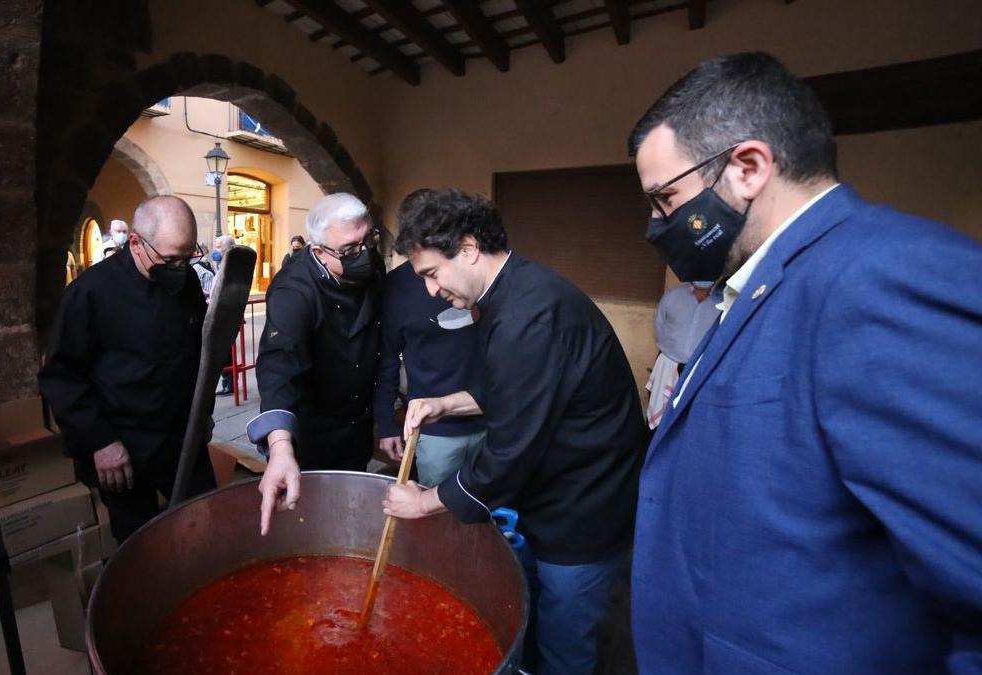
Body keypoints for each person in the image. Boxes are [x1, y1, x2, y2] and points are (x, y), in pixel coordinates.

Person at [627, 52, 982, 674]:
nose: (659, 224)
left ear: (747, 167)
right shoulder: (763, 283)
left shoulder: (880, 277)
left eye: (666, 199)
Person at [383, 189, 649, 675]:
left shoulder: (528, 316)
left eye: (431, 273)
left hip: (583, 510)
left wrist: (424, 502)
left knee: (564, 649)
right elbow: (521, 389)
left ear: (467, 248)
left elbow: (509, 451)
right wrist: (447, 402)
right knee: (534, 624)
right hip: (558, 497)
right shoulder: (515, 291)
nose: (430, 290)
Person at [40, 195, 215, 543]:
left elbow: (196, 352)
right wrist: (100, 441)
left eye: (187, 258)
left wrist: (202, 411)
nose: (180, 269)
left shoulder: (186, 282)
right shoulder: (90, 293)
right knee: (143, 550)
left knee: (208, 528)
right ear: (135, 242)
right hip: (122, 448)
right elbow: (60, 376)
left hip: (181, 437)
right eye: (170, 259)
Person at [249, 192, 383, 536]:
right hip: (310, 434)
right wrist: (280, 447)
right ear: (319, 251)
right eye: (351, 250)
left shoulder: (371, 261)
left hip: (355, 424)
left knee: (348, 519)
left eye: (370, 240)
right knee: (307, 527)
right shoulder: (294, 290)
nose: (365, 253)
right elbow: (279, 364)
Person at [374, 190, 483, 486]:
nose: (434, 288)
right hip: (436, 432)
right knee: (439, 514)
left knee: (491, 515)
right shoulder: (395, 288)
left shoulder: (477, 275)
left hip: (492, 419)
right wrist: (386, 425)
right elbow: (386, 360)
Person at [644, 280, 721, 429]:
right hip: (668, 365)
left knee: (687, 420)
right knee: (658, 416)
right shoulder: (673, 296)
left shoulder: (723, 302)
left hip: (699, 371)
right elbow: (659, 326)